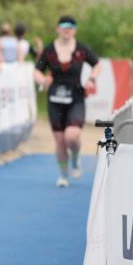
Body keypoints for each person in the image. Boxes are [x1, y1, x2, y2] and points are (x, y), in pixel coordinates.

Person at [34, 15, 100, 188]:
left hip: (76, 99)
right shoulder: (49, 51)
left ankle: (76, 157)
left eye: (71, 26)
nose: (67, 28)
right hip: (54, 101)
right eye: (63, 25)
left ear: (75, 30)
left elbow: (97, 64)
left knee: (72, 136)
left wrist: (92, 79)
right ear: (57, 29)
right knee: (60, 141)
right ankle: (64, 175)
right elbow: (37, 71)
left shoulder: (81, 49)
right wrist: (42, 80)